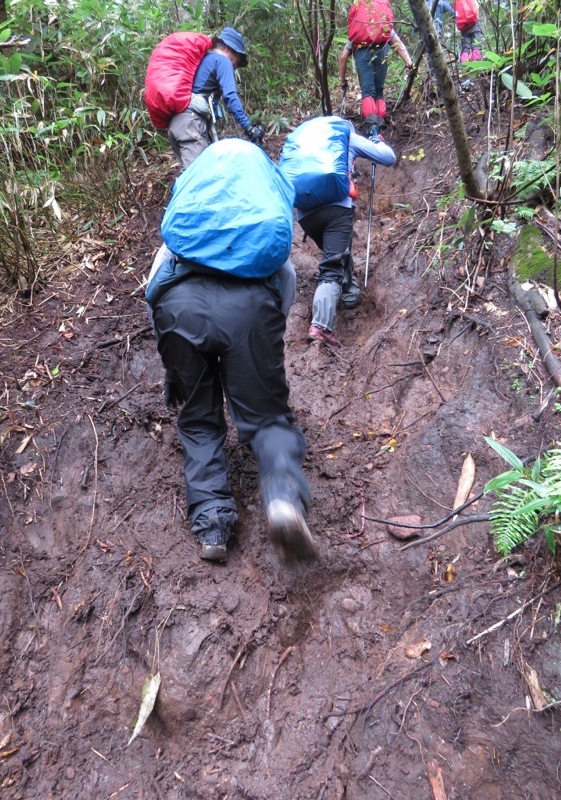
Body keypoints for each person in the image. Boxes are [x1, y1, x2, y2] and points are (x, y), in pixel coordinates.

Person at [148, 139, 317, 564]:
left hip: (177, 308)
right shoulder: (265, 202)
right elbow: (286, 281)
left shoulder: (191, 199)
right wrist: (264, 339)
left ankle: (212, 524)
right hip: (250, 310)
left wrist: (174, 367)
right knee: (266, 417)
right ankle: (281, 500)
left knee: (200, 418)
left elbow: (155, 283)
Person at [288, 120, 396, 347]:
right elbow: (388, 157)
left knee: (336, 252)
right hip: (338, 209)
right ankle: (321, 326)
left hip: (305, 216)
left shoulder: (304, 141)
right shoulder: (347, 136)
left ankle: (349, 293)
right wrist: (377, 141)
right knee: (331, 268)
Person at [168, 26, 265, 169]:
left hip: (177, 124)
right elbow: (230, 97)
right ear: (227, 48)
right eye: (236, 59)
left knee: (192, 179)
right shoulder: (222, 61)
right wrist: (248, 128)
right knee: (199, 183)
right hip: (191, 125)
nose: (235, 65)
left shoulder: (205, 59)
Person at [338, 26, 413, 136]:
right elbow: (398, 43)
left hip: (362, 53)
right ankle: (381, 128)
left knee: (368, 92)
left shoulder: (357, 27)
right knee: (379, 92)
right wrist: (410, 64)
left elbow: (343, 56)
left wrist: (343, 81)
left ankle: (373, 129)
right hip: (381, 52)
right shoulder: (383, 23)